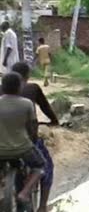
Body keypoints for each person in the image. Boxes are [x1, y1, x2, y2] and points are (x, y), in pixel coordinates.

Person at [0, 62, 59, 212]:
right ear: (26, 78)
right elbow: (41, 114)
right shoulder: (31, 90)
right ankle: (42, 206)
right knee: (45, 166)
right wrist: (54, 121)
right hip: (23, 144)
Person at [0, 73, 45, 205]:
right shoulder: (26, 104)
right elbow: (32, 127)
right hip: (22, 148)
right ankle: (25, 192)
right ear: (20, 87)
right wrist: (33, 140)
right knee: (40, 165)